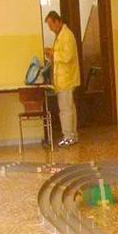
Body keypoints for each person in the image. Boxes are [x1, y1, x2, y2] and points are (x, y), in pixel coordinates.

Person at [44, 11, 80, 147]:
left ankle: (68, 136)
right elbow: (59, 55)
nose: (50, 29)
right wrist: (51, 54)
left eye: (51, 25)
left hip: (67, 78)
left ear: (58, 21)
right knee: (69, 108)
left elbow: (68, 56)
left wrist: (54, 54)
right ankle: (72, 135)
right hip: (62, 79)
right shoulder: (60, 36)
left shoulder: (67, 35)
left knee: (65, 110)